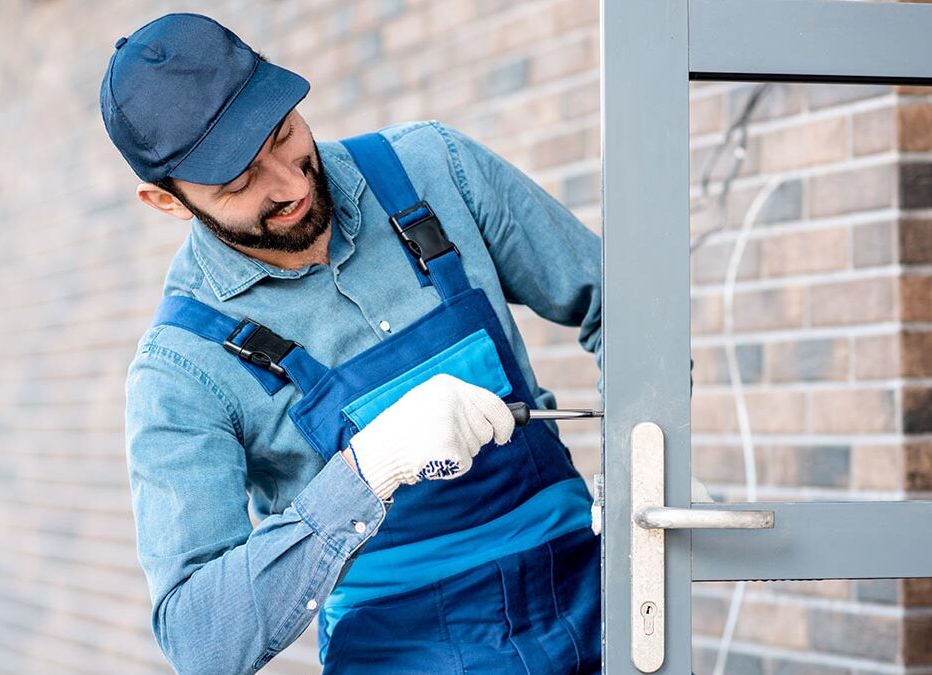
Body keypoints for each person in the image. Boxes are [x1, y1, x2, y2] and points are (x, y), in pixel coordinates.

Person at [101, 12, 603, 675]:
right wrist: (365, 473)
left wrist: (647, 459)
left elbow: (622, 301)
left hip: (594, 604)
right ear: (167, 203)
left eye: (282, 135)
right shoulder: (182, 369)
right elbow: (201, 639)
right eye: (239, 182)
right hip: (402, 650)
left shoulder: (433, 168)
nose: (290, 183)